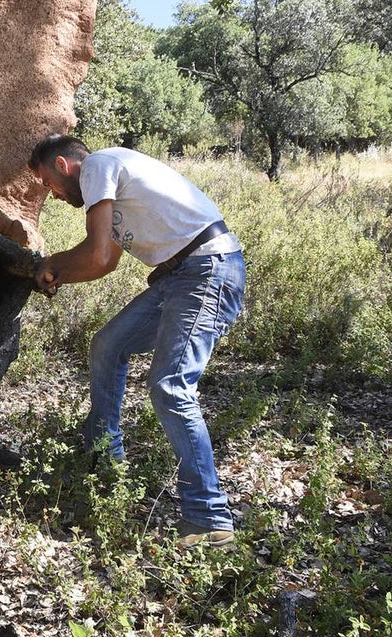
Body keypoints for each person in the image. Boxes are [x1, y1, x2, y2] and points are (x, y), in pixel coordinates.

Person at [29, 134, 245, 548]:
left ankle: (210, 520)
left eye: (47, 183)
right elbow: (104, 262)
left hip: (207, 270)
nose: (52, 194)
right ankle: (104, 461)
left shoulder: (98, 166)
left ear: (62, 165)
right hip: (180, 276)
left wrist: (52, 263)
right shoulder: (109, 185)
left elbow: (95, 254)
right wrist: (58, 275)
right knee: (108, 346)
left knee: (170, 386)